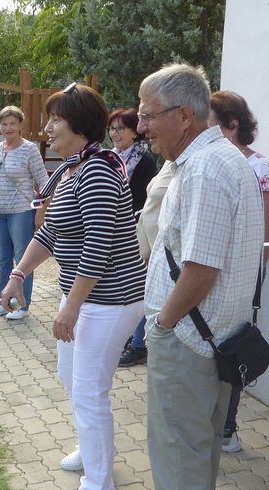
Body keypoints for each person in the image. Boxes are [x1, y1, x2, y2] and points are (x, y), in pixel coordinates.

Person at [132, 64, 263, 490]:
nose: (142, 126)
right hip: (216, 334)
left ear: (184, 115)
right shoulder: (216, 160)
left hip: (188, 335)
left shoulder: (207, 169)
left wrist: (163, 321)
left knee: (177, 444)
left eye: (147, 115)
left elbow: (201, 269)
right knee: (200, 440)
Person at [0, 82, 146, 490]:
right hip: (85, 295)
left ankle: (99, 489)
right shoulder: (70, 169)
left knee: (88, 390)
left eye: (55, 120)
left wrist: (72, 306)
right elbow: (50, 232)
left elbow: (98, 247)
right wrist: (19, 273)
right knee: (72, 376)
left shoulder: (99, 170)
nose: (46, 128)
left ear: (80, 126)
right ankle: (92, 444)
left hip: (112, 298)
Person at [208, 90, 269, 454]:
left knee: (231, 349)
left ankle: (227, 429)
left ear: (233, 125)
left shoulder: (260, 168)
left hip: (241, 275)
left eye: (212, 123)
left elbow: (268, 233)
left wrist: (250, 278)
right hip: (206, 271)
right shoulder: (208, 161)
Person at [0, 106, 49, 321]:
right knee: (2, 260)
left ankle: (22, 305)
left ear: (20, 125)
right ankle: (4, 302)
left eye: (12, 123)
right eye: (4, 124)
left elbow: (44, 183)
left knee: (22, 260)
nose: (8, 127)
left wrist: (41, 213)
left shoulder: (29, 149)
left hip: (20, 211)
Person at [108, 107, 159, 368]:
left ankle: (138, 344)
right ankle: (129, 338)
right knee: (121, 287)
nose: (115, 133)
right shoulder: (110, 158)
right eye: (112, 128)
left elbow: (144, 201)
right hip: (115, 231)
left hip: (135, 231)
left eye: (121, 128)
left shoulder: (145, 160)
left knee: (138, 288)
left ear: (134, 133)